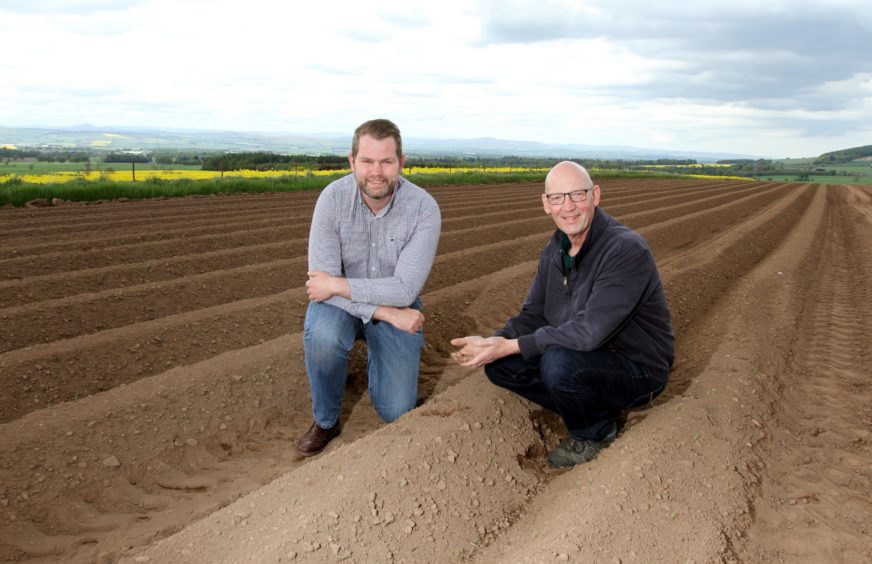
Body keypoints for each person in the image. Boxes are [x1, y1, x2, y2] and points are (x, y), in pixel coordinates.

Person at [451, 161, 674, 467]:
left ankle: (594, 432)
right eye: (557, 198)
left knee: (559, 364)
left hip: (637, 369)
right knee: (501, 366)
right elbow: (533, 314)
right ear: (546, 204)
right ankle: (590, 405)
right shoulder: (556, 250)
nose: (568, 207)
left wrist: (514, 345)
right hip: (588, 360)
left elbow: (590, 332)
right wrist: (495, 342)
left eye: (577, 195)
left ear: (595, 196)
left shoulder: (624, 249)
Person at [298, 118, 441, 457]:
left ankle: (388, 370)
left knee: (397, 412)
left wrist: (337, 285)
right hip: (357, 309)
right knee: (322, 336)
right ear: (352, 161)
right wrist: (386, 312)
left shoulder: (424, 209)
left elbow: (404, 290)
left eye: (386, 161)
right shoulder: (331, 200)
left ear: (401, 163)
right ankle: (326, 421)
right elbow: (322, 289)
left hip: (391, 303)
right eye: (367, 161)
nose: (376, 171)